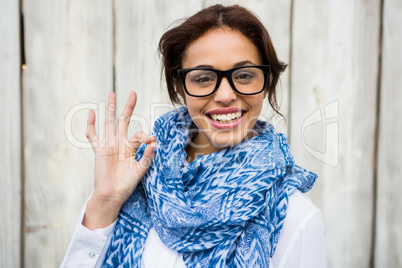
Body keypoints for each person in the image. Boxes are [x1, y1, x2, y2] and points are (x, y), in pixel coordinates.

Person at [61, 4, 326, 268]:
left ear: (266, 81)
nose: (225, 95)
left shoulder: (295, 218)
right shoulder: (128, 183)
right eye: (203, 78)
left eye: (244, 75)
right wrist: (105, 204)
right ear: (180, 86)